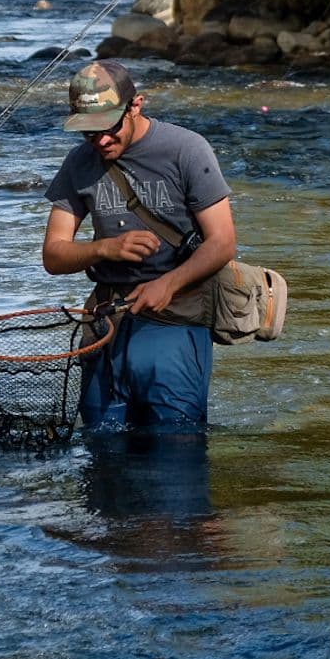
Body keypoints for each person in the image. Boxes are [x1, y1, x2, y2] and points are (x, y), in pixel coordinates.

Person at [43, 60, 236, 431]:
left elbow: (223, 242)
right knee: (103, 450)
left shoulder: (187, 149)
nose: (100, 141)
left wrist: (169, 283)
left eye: (109, 128)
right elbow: (53, 254)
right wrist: (104, 249)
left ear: (136, 105)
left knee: (172, 451)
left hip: (176, 318)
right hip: (105, 322)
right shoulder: (78, 162)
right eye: (88, 132)